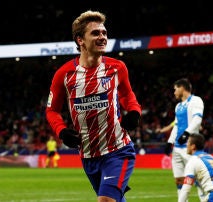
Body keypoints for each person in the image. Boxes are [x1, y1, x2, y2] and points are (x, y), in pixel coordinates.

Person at [45, 10, 141, 202]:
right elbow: (52, 110)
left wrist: (134, 111)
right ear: (80, 40)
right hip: (88, 155)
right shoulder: (64, 75)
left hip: (118, 150)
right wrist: (62, 131)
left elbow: (127, 94)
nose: (102, 37)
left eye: (104, 33)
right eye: (95, 33)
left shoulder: (117, 67)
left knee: (105, 199)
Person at [164, 78, 204, 199]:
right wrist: (169, 142)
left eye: (175, 89)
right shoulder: (178, 106)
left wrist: (186, 134)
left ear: (182, 88)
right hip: (177, 148)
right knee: (180, 181)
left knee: (198, 179)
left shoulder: (196, 100)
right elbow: (176, 125)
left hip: (190, 147)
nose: (174, 92)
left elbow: (197, 119)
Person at [179, 133, 213, 202]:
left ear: (193, 146)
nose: (186, 145)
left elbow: (186, 189)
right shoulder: (212, 158)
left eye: (188, 143)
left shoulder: (193, 161)